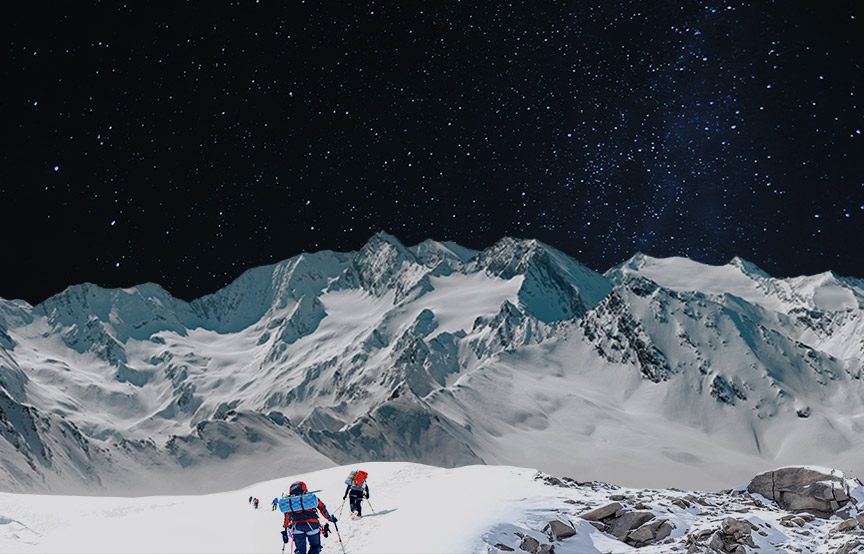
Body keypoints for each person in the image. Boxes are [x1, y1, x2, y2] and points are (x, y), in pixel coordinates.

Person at [282, 481, 337, 554]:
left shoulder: (290, 502)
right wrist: (330, 518)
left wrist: (285, 528)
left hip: (297, 527)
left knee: (300, 550)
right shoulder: (310, 498)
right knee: (315, 546)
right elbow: (322, 508)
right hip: (312, 525)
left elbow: (287, 515)